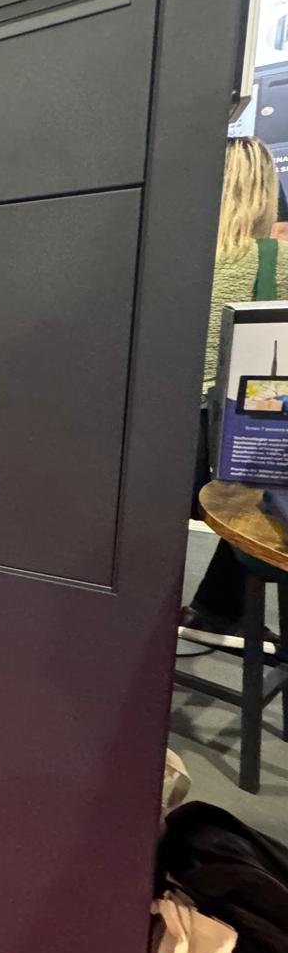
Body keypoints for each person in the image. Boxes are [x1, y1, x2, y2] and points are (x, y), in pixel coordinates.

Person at [182, 136, 288, 654]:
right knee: (263, 509)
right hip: (237, 439)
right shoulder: (278, 261)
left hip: (158, 437)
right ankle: (218, 610)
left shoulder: (175, 258)